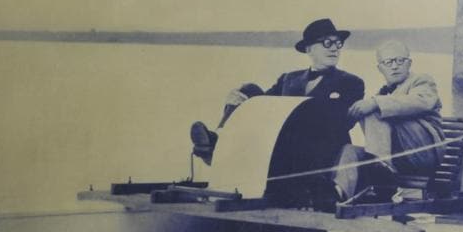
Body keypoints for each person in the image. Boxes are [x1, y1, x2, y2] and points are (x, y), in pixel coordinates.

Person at [190, 18, 365, 165]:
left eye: (338, 43)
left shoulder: (351, 82)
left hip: (320, 148)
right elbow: (261, 104)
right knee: (247, 90)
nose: (334, 48)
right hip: (281, 141)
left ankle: (221, 148)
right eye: (327, 43)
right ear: (309, 49)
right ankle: (217, 141)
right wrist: (236, 100)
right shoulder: (288, 78)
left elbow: (341, 123)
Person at [337, 40, 445, 199]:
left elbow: (422, 101)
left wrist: (375, 103)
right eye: (388, 62)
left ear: (409, 63)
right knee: (350, 151)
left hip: (423, 153)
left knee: (375, 109)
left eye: (400, 61)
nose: (394, 66)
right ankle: (338, 194)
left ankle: (382, 170)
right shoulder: (383, 93)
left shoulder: (421, 81)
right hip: (398, 159)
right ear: (380, 68)